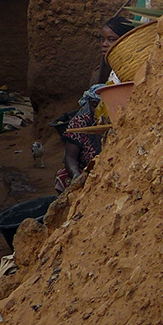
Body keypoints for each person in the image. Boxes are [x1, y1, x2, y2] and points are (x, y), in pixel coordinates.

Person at [55, 13, 135, 192]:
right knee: (79, 121)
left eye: (111, 39)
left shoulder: (131, 70)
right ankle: (76, 173)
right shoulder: (105, 69)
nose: (104, 44)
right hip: (98, 121)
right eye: (103, 39)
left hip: (116, 122)